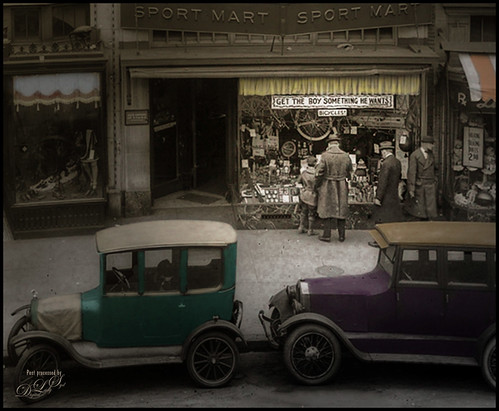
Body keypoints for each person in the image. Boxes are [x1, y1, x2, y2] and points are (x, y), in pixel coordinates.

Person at [315, 133, 353, 242]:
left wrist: (317, 185)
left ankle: (327, 235)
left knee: (327, 209)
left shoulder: (325, 156)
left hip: (327, 185)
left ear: (329, 144)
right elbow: (349, 171)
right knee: (341, 210)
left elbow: (319, 173)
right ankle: (341, 236)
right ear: (338, 144)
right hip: (341, 185)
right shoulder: (346, 156)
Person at [406, 135, 438, 220]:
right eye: (431, 144)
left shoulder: (431, 155)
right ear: (426, 144)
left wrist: (435, 180)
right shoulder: (415, 155)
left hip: (430, 186)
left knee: (429, 211)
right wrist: (411, 189)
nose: (433, 146)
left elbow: (435, 169)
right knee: (420, 211)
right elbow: (412, 173)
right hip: (420, 186)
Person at [372, 140, 404, 224]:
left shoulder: (386, 163)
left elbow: (383, 181)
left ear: (384, 151)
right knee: (393, 218)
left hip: (386, 196)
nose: (381, 154)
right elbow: (399, 177)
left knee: (384, 219)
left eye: (382, 152)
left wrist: (378, 197)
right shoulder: (397, 162)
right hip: (394, 194)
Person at [296, 156, 318, 236]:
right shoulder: (316, 174)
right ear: (315, 163)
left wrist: (302, 189)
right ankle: (310, 230)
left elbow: (298, 182)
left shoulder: (304, 173)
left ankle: (301, 227)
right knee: (311, 213)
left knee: (303, 211)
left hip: (304, 194)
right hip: (313, 195)